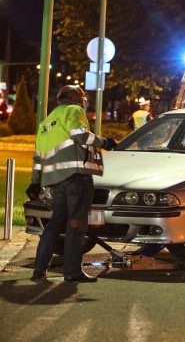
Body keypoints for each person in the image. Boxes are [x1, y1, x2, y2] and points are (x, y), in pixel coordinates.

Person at [26, 85, 118, 283]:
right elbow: (80, 135)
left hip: (55, 181)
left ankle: (39, 270)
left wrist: (35, 182)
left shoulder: (47, 122)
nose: (85, 101)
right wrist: (105, 142)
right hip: (77, 177)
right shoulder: (74, 110)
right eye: (83, 97)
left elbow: (39, 156)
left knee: (54, 225)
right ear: (75, 97)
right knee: (76, 226)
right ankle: (72, 272)